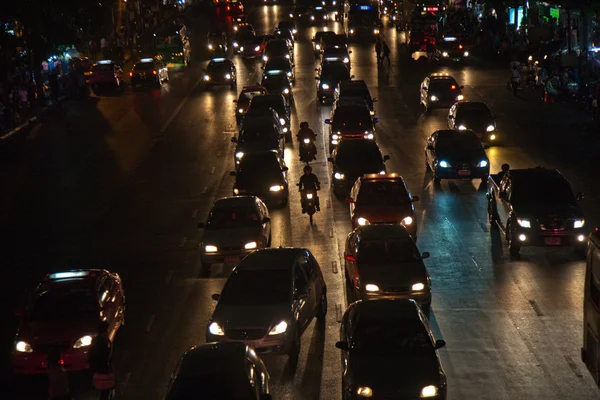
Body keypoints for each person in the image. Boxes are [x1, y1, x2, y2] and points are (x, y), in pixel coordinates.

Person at [89, 321, 114, 400]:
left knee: (102, 393)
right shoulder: (102, 343)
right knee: (105, 393)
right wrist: (110, 343)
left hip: (96, 371)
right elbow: (108, 356)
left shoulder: (95, 341)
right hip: (103, 371)